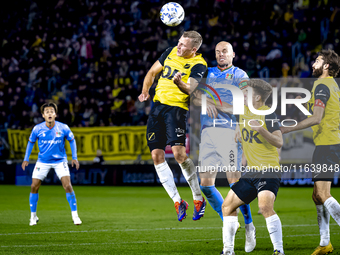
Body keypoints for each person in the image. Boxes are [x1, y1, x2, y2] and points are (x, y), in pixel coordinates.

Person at [192, 41, 255, 252]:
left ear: (233, 54)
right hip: (208, 133)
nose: (221, 55)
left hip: (230, 133)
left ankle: (247, 225)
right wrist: (203, 100)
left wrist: (216, 105)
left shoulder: (240, 75)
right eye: (218, 52)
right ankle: (230, 220)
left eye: (225, 51)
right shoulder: (207, 73)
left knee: (234, 185)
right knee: (206, 186)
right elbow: (193, 96)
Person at [138, 31, 207, 222]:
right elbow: (152, 72)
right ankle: (178, 201)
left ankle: (198, 198)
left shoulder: (199, 64)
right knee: (156, 156)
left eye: (183, 45)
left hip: (176, 109)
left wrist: (179, 83)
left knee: (179, 155)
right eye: (179, 42)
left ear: (193, 49)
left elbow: (192, 89)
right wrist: (145, 91)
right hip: (157, 108)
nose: (178, 46)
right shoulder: (169, 52)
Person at [281, 49, 340, 255]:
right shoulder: (329, 85)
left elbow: (316, 118)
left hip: (328, 145)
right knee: (317, 196)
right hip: (327, 143)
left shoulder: (323, 85)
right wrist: (302, 102)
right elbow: (319, 113)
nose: (313, 63)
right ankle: (325, 244)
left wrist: (287, 129)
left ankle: (326, 242)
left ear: (326, 66)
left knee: (323, 194)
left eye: (317, 60)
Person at [221, 79, 284, 255]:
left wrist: (261, 130)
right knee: (227, 207)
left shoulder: (268, 114)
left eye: (247, 92)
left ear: (256, 97)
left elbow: (279, 141)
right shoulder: (243, 112)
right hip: (251, 172)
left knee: (264, 207)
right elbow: (224, 107)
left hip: (269, 170)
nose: (243, 95)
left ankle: (279, 251)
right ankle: (228, 251)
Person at [22, 102, 81, 226]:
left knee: (68, 186)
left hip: (60, 161)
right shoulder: (37, 128)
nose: (49, 113)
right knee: (34, 187)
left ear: (55, 114)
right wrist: (26, 158)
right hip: (43, 162)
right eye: (47, 112)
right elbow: (31, 143)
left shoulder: (63, 127)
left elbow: (72, 141)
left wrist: (74, 157)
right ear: (43, 115)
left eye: (51, 111)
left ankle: (75, 215)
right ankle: (33, 216)